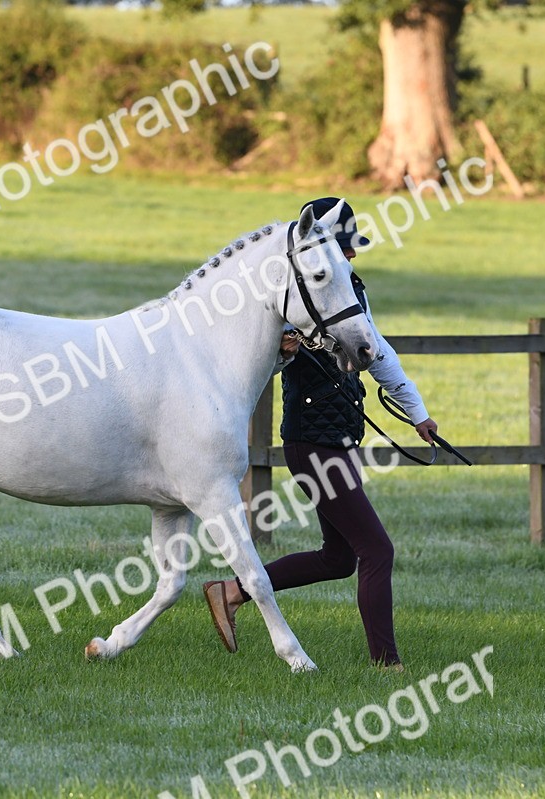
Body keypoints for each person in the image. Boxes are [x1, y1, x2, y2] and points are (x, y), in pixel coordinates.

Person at [202, 197, 437, 670]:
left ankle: (231, 591)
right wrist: (283, 351)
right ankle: (387, 663)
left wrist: (417, 413)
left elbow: (377, 350)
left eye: (351, 247)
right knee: (377, 550)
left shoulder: (350, 291)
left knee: (339, 559)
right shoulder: (292, 295)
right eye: (345, 246)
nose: (351, 254)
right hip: (312, 444)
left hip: (339, 439)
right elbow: (254, 366)